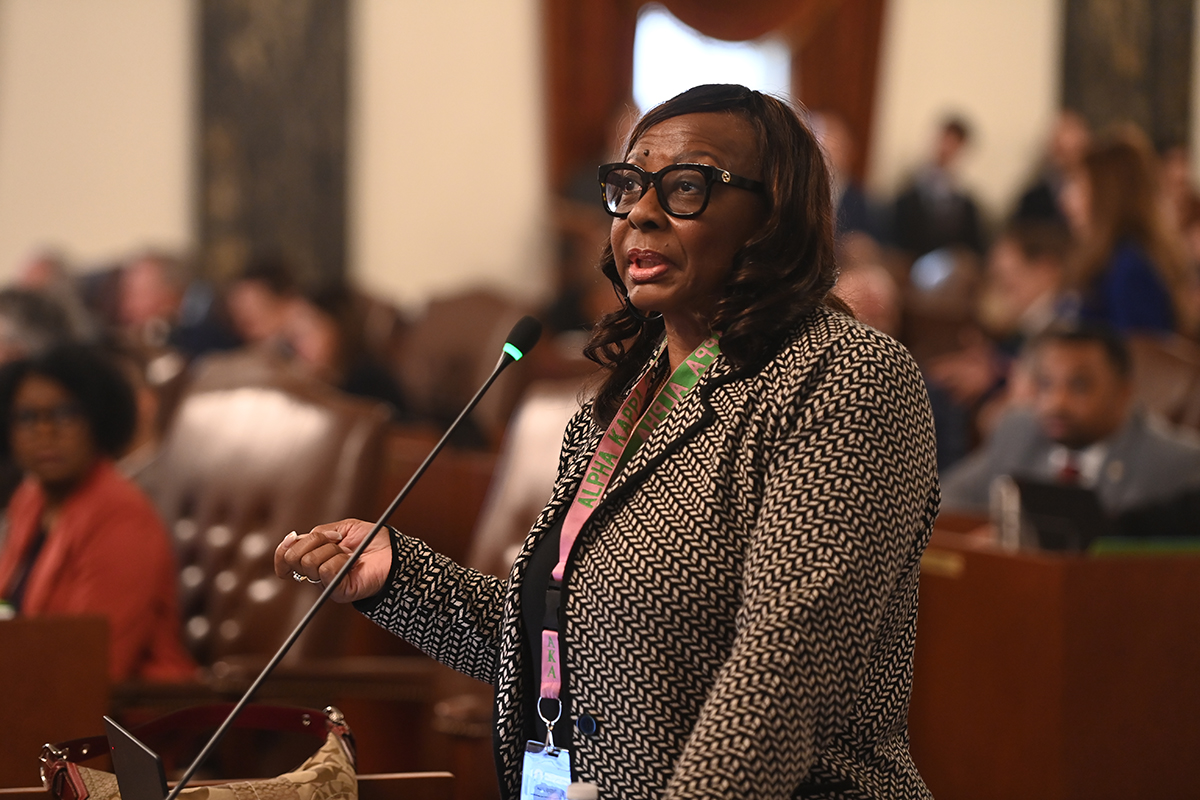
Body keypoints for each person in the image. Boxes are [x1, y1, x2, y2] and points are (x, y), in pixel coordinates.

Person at [277, 84, 939, 799]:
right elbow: (575, 639)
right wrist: (400, 577)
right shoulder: (623, 400)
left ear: (772, 215)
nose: (642, 213)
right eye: (628, 186)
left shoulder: (847, 378)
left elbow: (779, 678)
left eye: (686, 186)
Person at [0, 344, 196, 682]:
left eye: (64, 414)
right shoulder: (30, 497)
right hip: (35, 694)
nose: (45, 433)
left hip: (131, 719)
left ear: (97, 416)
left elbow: (95, 665)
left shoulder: (121, 515)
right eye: (28, 417)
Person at [940, 325, 1200, 515]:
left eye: (1079, 386)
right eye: (1045, 384)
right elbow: (942, 500)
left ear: (1124, 393)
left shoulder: (1177, 463)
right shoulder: (1019, 430)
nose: (1056, 403)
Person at [1059, 130, 1187, 333]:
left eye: (1078, 186)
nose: (1065, 200)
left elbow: (1139, 354)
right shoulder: (1110, 259)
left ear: (1108, 197)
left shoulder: (1130, 267)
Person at [890, 115, 986, 259]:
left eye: (954, 144)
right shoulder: (909, 190)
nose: (946, 148)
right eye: (945, 140)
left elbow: (973, 248)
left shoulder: (965, 204)